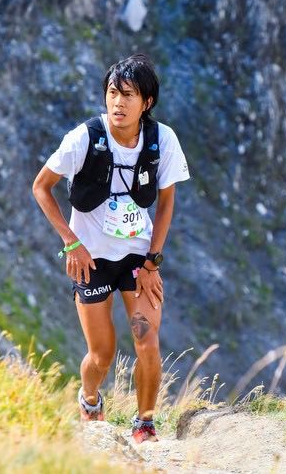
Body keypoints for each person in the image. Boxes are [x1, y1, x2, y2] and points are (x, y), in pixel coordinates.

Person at [32, 54, 190, 444]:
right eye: (112, 93)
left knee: (147, 339)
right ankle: (89, 400)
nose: (118, 103)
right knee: (101, 354)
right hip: (93, 259)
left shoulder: (162, 140)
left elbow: (166, 202)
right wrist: (72, 242)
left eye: (128, 95)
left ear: (147, 102)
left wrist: (153, 260)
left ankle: (146, 423)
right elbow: (41, 187)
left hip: (138, 258)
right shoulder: (83, 138)